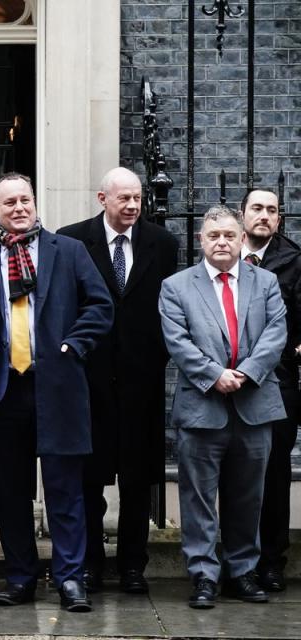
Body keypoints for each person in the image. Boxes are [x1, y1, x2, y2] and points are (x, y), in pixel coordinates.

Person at [0, 172, 113, 613]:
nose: (19, 209)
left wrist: (75, 344)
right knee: (9, 493)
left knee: (66, 491)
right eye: (9, 203)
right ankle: (20, 577)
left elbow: (100, 305)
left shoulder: (68, 251)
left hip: (59, 385)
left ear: (34, 202)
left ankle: (69, 579)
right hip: (3, 390)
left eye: (25, 200)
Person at [56, 167, 179, 594]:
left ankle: (132, 567)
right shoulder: (70, 240)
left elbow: (170, 309)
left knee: (137, 479)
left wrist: (157, 360)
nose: (132, 206)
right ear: (101, 198)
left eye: (137, 199)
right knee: (90, 479)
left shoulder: (163, 244)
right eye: (123, 198)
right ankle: (90, 563)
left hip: (142, 383)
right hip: (89, 382)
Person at [159, 205, 286, 609]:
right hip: (201, 407)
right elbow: (178, 342)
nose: (222, 242)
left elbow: (276, 333)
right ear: (201, 240)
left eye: (229, 235)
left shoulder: (265, 282)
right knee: (198, 498)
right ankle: (202, 575)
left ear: (241, 239)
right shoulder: (176, 286)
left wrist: (246, 373)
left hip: (255, 405)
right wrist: (215, 374)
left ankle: (241, 571)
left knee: (248, 496)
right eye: (213, 236)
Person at [240, 189, 301, 593]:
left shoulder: (295, 261)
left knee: (274, 472)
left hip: (278, 380)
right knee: (234, 472)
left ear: (279, 219)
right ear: (242, 214)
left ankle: (270, 562)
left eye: (272, 210)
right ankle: (236, 559)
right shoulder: (221, 248)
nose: (265, 216)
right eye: (257, 209)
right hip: (227, 379)